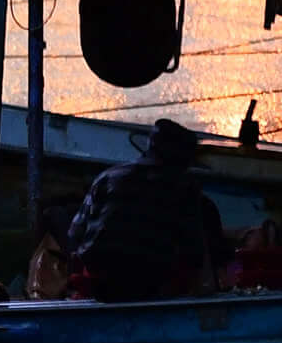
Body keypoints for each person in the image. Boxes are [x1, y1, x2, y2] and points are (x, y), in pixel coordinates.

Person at [68, 119, 231, 303]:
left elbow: (74, 235)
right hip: (151, 286)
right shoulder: (184, 189)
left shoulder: (108, 177)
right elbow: (194, 251)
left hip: (99, 286)